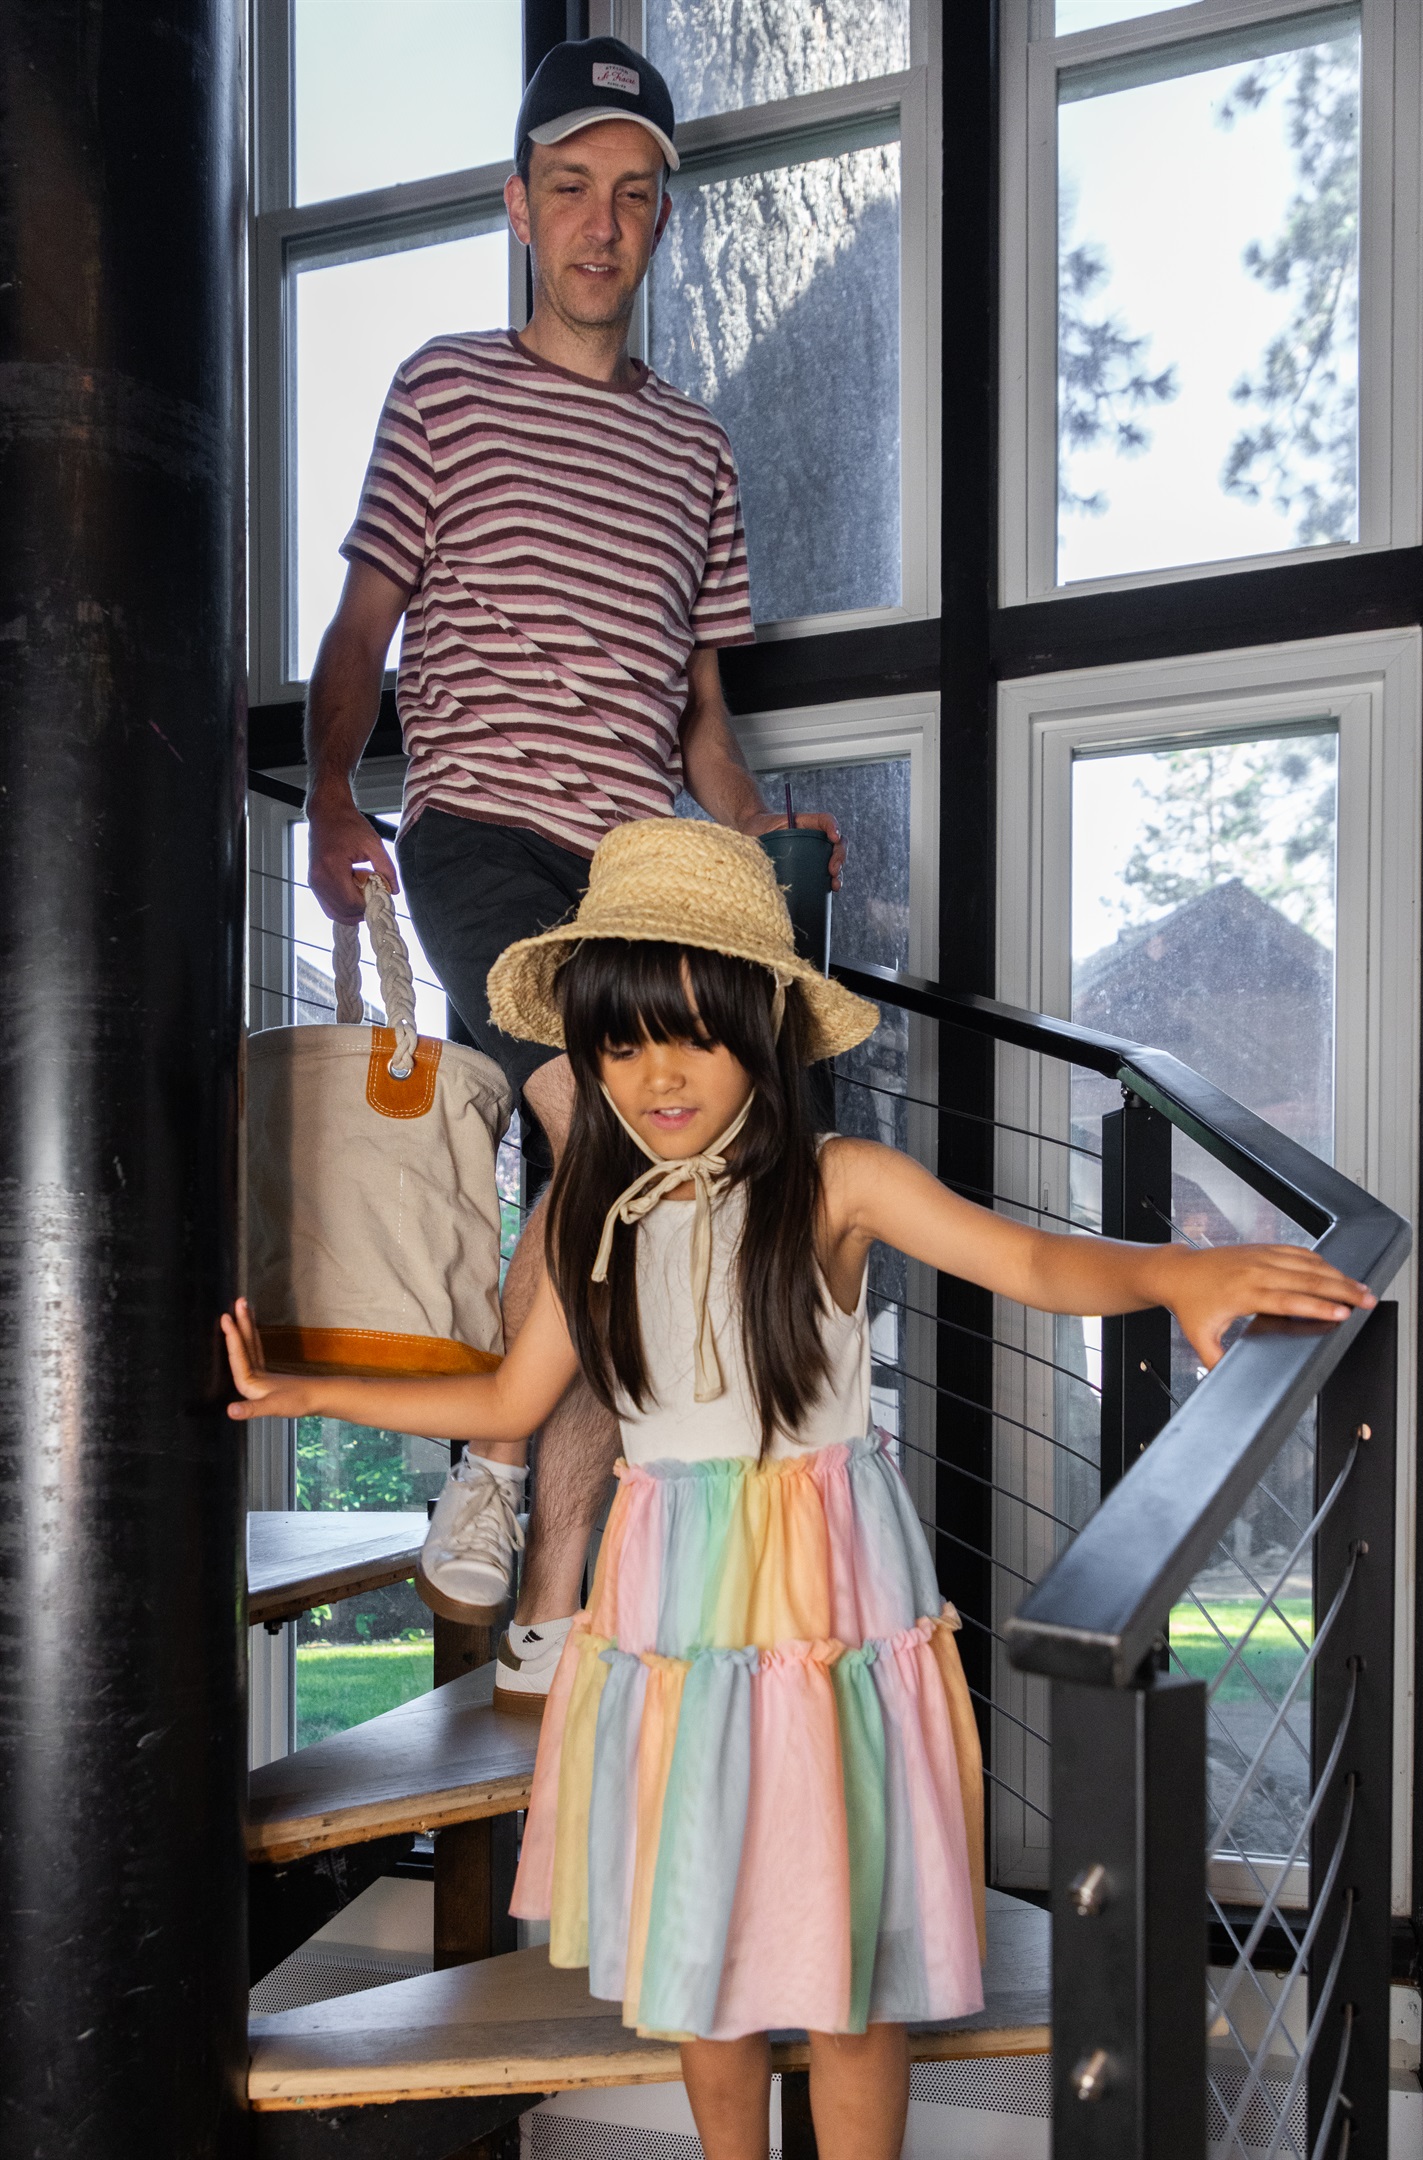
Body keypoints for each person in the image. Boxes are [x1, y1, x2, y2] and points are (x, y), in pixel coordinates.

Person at [224, 821, 1374, 2160]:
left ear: (766, 1028)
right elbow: (502, 1404)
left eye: (694, 1034)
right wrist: (316, 1391)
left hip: (821, 1605)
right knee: (699, 1976)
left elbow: (1035, 1266)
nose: (655, 1074)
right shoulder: (592, 1214)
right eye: (619, 1042)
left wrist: (1175, 1272)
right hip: (670, 1625)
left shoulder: (839, 1184)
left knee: (844, 1981)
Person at [299, 34, 843, 1707]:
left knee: (641, 1181)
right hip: (474, 831)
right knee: (600, 1136)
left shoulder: (698, 453)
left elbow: (701, 717)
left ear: (660, 221)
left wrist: (751, 856)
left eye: (634, 196)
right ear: (520, 207)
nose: (603, 224)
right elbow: (362, 628)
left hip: (633, 873)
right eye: (571, 190)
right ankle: (486, 1460)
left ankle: (545, 1605)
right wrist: (328, 795)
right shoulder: (442, 389)